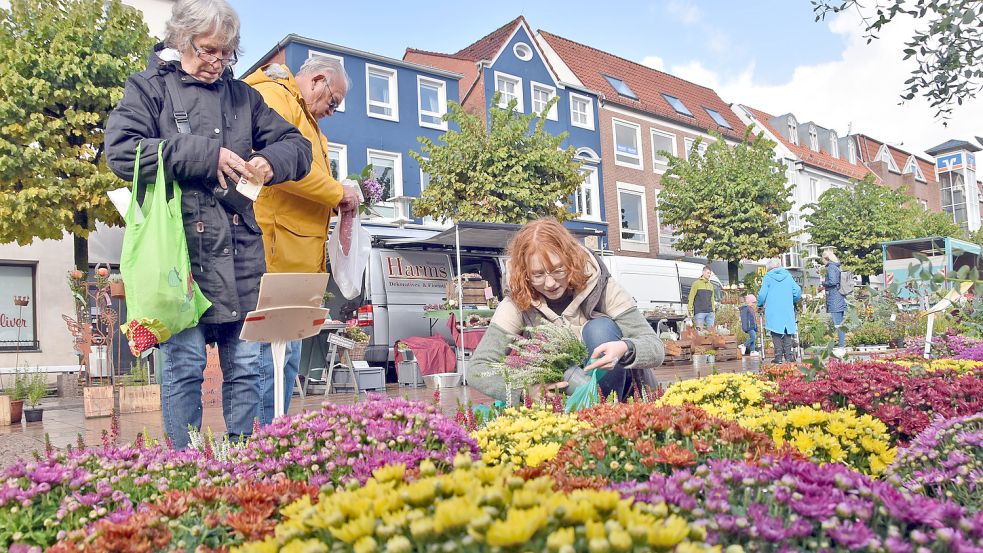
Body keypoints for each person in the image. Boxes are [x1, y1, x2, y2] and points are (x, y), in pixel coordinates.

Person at [105, 0, 313, 449]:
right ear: (182, 41)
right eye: (206, 51)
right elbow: (122, 152)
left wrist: (269, 163)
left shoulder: (244, 98)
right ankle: (186, 467)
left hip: (241, 256)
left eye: (226, 53)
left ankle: (244, 463)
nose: (217, 63)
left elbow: (298, 146)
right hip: (178, 261)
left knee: (246, 369)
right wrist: (205, 155)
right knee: (182, 367)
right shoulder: (148, 89)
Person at [243, 56, 360, 424]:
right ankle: (261, 445)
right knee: (269, 361)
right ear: (317, 80)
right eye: (333, 101)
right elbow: (282, 167)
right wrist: (337, 193)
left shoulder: (299, 113)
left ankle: (272, 439)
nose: (332, 111)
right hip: (277, 254)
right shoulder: (275, 97)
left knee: (283, 360)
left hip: (293, 257)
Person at [470, 219, 664, 403]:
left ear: (570, 260)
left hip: (623, 393)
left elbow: (655, 347)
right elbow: (478, 368)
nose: (550, 283)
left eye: (558, 270)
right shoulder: (517, 303)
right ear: (525, 274)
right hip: (561, 399)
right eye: (538, 274)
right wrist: (524, 391)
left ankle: (605, 414)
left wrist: (625, 348)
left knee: (599, 329)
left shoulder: (601, 287)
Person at [757, 259, 802, 364]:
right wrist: (793, 300)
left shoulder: (768, 277)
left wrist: (759, 304)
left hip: (773, 309)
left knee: (775, 331)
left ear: (768, 268)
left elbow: (762, 294)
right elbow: (797, 291)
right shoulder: (788, 276)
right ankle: (788, 355)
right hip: (787, 308)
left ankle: (778, 357)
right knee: (787, 331)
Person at [821, 250, 847, 350]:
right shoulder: (837, 267)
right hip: (840, 297)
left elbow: (833, 281)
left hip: (834, 298)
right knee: (840, 323)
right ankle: (841, 344)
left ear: (826, 258)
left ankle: (841, 345)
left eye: (822, 259)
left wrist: (823, 283)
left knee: (838, 323)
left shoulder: (831, 267)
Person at [688, 266, 717, 331]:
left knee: (711, 332)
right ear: (703, 272)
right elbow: (691, 297)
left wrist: (713, 310)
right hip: (699, 312)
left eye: (710, 273)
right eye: (708, 273)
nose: (709, 275)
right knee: (699, 333)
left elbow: (712, 298)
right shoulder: (696, 283)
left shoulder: (711, 285)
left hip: (710, 312)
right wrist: (690, 309)